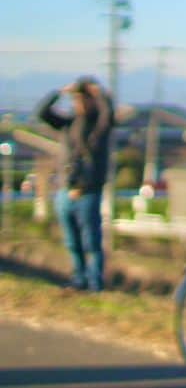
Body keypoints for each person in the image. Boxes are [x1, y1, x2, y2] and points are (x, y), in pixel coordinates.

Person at [35, 76, 114, 292]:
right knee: (72, 242)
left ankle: (94, 284)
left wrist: (101, 94)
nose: (77, 104)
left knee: (91, 243)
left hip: (89, 192)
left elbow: (108, 115)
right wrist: (59, 92)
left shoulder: (99, 125)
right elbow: (42, 113)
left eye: (82, 99)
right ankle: (78, 280)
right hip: (65, 190)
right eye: (75, 99)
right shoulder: (68, 124)